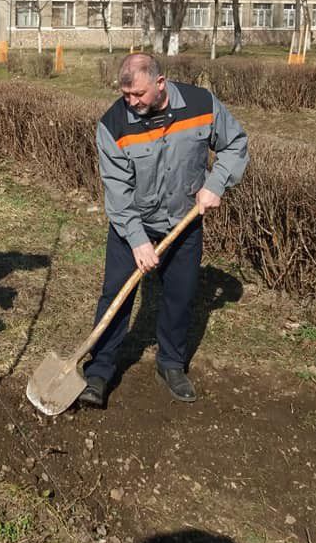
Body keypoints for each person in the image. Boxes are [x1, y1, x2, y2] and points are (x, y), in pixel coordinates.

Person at [80, 53, 248, 408]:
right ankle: (99, 371)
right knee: (116, 295)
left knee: (180, 295)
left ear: (161, 83)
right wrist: (138, 241)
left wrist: (216, 183)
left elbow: (235, 144)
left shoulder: (202, 104)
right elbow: (117, 191)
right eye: (125, 94)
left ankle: (171, 363)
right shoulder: (113, 124)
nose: (131, 102)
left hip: (183, 221)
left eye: (138, 94)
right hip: (132, 225)